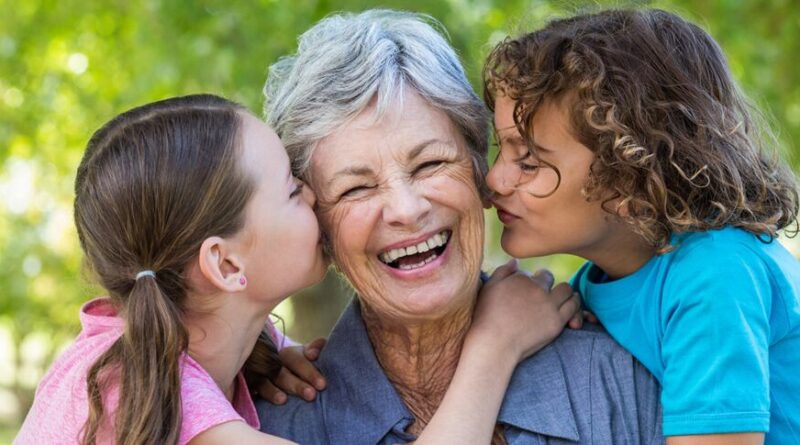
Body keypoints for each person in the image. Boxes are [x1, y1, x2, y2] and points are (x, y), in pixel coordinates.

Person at [13, 94, 581, 445]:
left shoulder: (182, 346)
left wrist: (262, 353)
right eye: (291, 188)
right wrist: (495, 346)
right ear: (226, 263)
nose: (314, 195)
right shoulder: (135, 387)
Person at [258, 10, 664, 444]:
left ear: (478, 174)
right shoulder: (271, 425)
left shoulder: (620, 376)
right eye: (357, 188)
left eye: (430, 163)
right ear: (318, 228)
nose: (407, 209)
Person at [483, 8, 800, 445]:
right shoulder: (596, 284)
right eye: (501, 150)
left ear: (631, 175)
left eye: (530, 161)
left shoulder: (715, 274)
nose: (494, 180)